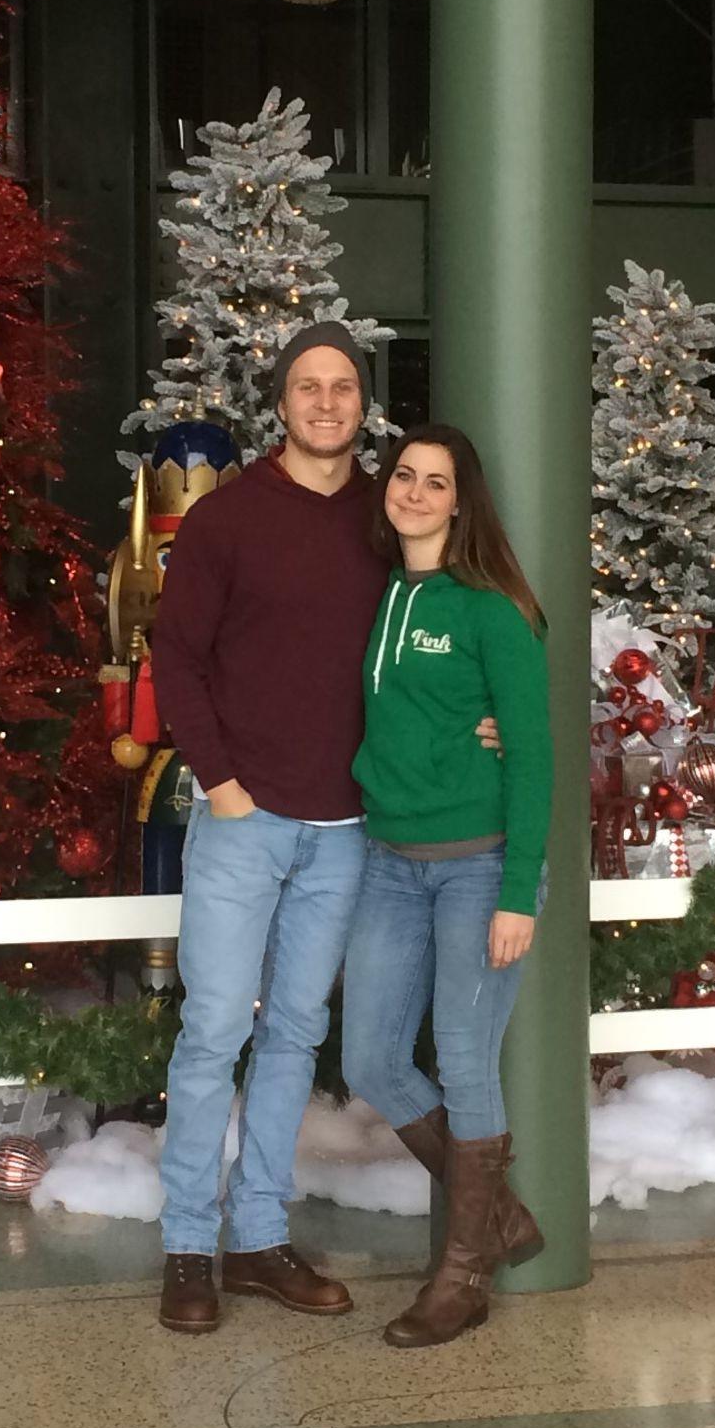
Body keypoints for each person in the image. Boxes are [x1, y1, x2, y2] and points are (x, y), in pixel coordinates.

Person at [149, 323, 500, 1335]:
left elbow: (460, 617)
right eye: (309, 386)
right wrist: (219, 783)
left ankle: (258, 1238)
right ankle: (186, 1247)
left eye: (344, 387)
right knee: (215, 1030)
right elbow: (178, 658)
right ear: (282, 401)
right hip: (244, 820)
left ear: (362, 404)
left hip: (348, 829)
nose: (327, 403)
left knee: (298, 1033)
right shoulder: (227, 521)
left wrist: (483, 713)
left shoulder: (386, 523)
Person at [341, 423, 553, 1349]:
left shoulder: (490, 609)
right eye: (404, 477)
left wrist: (516, 891)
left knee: (466, 1061)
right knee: (372, 1061)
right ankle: (498, 1215)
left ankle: (463, 1274)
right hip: (390, 863)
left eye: (437, 482)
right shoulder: (384, 593)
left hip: (478, 865)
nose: (416, 492)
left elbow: (534, 754)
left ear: (461, 501)